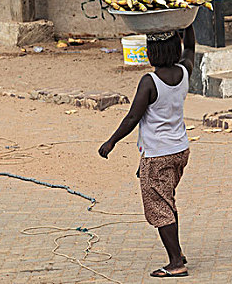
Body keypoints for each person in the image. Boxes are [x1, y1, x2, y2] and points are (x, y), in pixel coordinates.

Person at [98, 25, 195, 278]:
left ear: (152, 53)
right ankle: (178, 253)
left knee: (159, 206)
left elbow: (132, 117)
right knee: (167, 200)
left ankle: (175, 263)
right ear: (176, 48)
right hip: (180, 150)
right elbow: (192, 49)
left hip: (158, 154)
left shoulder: (149, 82)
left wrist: (111, 142)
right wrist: (188, 23)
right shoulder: (185, 71)